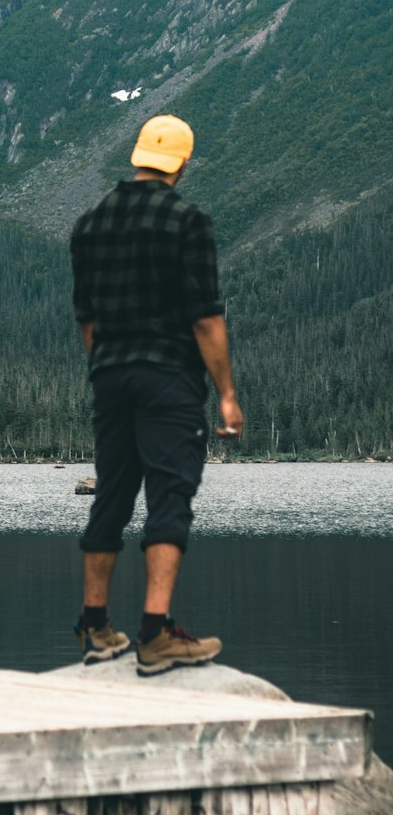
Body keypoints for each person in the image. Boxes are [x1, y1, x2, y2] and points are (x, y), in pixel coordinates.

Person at [69, 114, 243, 676]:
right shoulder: (187, 222)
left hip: (111, 374)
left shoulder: (89, 224)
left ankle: (95, 627)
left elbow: (87, 320)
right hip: (168, 378)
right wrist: (226, 395)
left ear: (138, 155)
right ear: (183, 163)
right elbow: (206, 320)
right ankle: (155, 633)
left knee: (112, 495)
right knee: (170, 495)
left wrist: (106, 367)